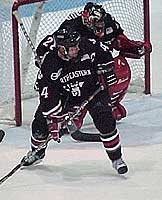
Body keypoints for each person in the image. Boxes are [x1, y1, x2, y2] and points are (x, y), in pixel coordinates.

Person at [21, 27, 128, 174]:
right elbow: (47, 96)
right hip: (65, 96)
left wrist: (108, 70)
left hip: (93, 90)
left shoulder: (88, 45)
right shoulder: (51, 63)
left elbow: (105, 54)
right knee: (40, 124)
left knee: (106, 122)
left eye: (76, 46)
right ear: (61, 48)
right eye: (72, 48)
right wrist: (55, 119)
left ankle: (117, 159)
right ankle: (36, 153)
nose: (76, 49)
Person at [35, 2, 151, 123]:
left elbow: (117, 40)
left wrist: (133, 47)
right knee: (81, 82)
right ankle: (74, 111)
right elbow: (52, 47)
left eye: (101, 22)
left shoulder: (108, 21)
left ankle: (109, 105)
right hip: (73, 68)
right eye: (96, 23)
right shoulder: (71, 27)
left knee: (119, 69)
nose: (100, 25)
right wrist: (45, 67)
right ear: (87, 21)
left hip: (96, 62)